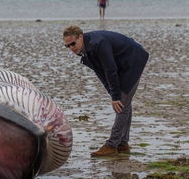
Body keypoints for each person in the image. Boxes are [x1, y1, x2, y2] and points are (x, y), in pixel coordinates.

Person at [63, 25, 149, 157]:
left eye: (73, 44)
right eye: (67, 46)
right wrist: (111, 92)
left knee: (121, 104)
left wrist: (115, 97)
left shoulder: (98, 43)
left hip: (133, 61)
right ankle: (123, 144)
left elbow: (110, 70)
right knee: (123, 102)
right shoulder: (86, 49)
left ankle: (112, 145)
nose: (71, 48)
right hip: (120, 64)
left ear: (80, 37)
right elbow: (101, 73)